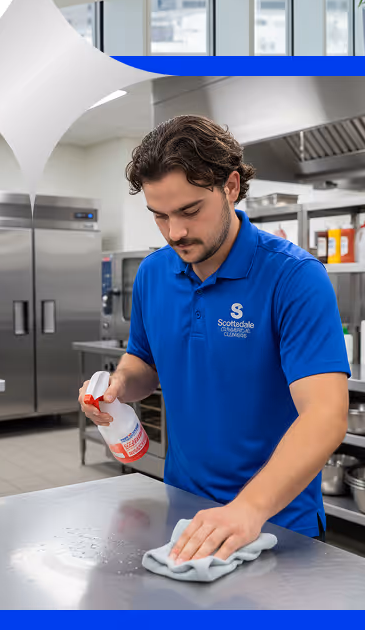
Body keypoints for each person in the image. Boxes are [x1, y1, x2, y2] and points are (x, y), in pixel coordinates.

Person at [79, 114, 350, 562]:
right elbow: (143, 362)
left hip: (274, 524)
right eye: (160, 216)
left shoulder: (294, 277)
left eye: (189, 211)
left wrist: (247, 509)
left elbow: (326, 415)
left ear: (230, 186)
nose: (175, 232)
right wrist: (117, 386)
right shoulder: (153, 274)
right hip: (185, 514)